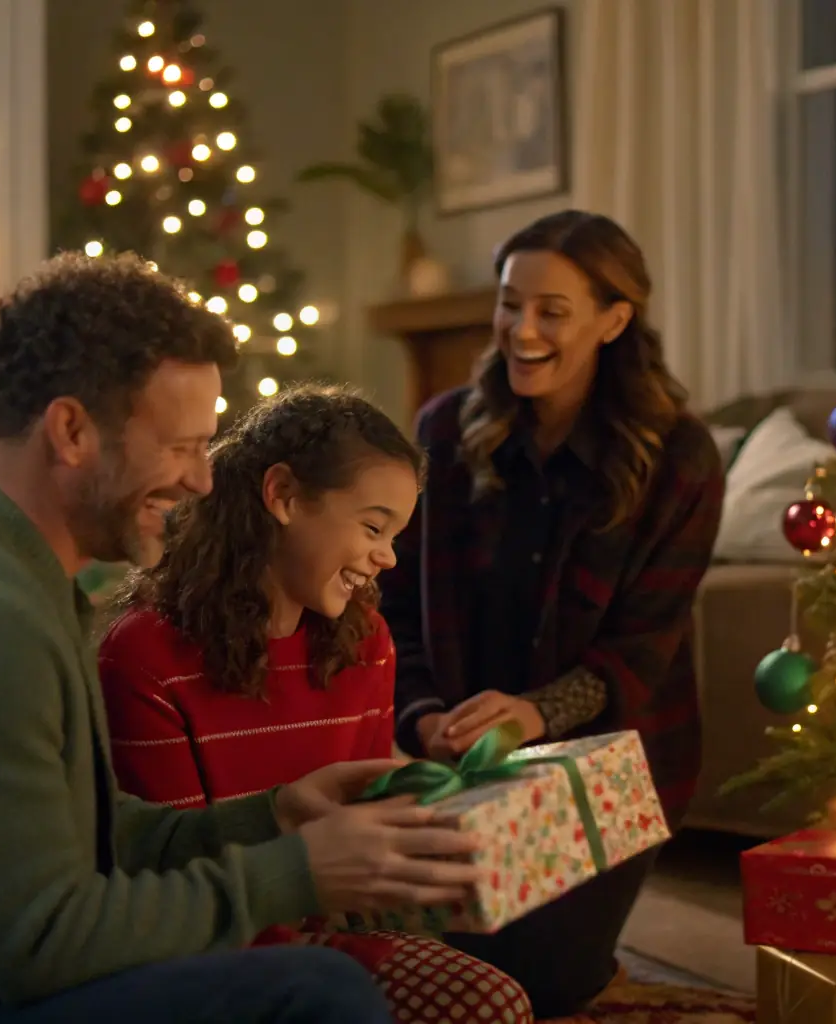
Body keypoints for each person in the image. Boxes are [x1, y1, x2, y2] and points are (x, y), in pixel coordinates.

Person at [0, 253, 482, 1024]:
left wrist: (271, 818)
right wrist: (293, 875)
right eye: (179, 447)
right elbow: (42, 944)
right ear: (70, 430)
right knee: (316, 993)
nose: (203, 479)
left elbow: (79, 836)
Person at [379, 210, 726, 1017]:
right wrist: (423, 715)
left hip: (611, 771)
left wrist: (534, 714)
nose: (521, 330)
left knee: (536, 984)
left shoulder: (678, 457)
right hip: (458, 766)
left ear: (613, 319)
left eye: (551, 311)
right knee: (441, 977)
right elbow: (392, 604)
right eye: (508, 304)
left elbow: (641, 651)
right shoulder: (442, 432)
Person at [96, 384, 534, 1024]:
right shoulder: (145, 658)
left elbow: (362, 840)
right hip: (213, 947)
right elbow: (175, 876)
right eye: (373, 526)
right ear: (283, 496)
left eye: (396, 535)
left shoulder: (367, 643)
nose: (386, 557)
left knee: (500, 996)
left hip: (336, 927)